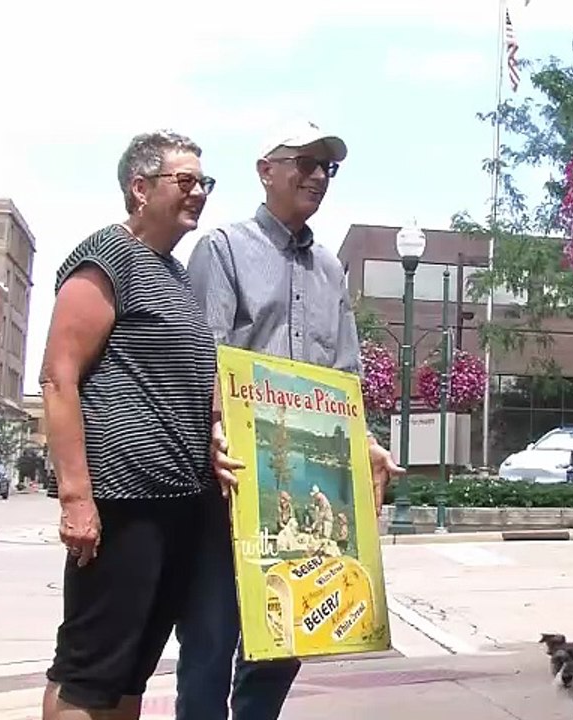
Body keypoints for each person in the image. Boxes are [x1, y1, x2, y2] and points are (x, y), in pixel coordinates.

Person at [176, 121, 403, 720]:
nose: (318, 176)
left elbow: (343, 374)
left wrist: (365, 443)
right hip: (229, 479)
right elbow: (204, 356)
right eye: (304, 162)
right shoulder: (222, 249)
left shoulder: (330, 270)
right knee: (210, 640)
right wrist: (214, 428)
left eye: (327, 166)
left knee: (285, 637)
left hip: (303, 488)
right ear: (265, 171)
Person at [39, 131, 218, 720]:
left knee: (131, 673)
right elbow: (59, 378)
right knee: (90, 673)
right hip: (122, 504)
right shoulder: (107, 257)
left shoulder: (175, 275)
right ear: (139, 188)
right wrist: (76, 500)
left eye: (204, 182)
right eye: (185, 180)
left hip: (177, 505)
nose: (199, 192)